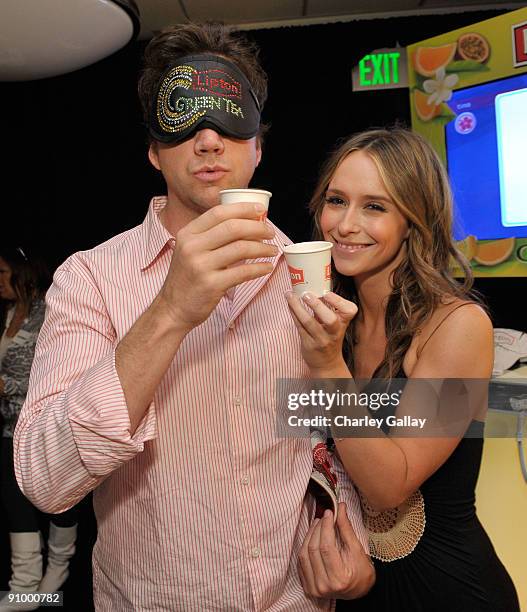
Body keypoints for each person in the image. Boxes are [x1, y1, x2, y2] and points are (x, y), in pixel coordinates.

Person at [14, 23, 374, 610]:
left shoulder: (309, 274)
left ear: (258, 145)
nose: (209, 141)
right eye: (185, 121)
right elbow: (45, 479)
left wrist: (353, 537)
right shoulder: (90, 279)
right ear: (155, 151)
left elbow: (321, 437)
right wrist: (171, 310)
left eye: (230, 120)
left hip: (296, 600)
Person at [286, 128, 520, 611]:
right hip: (356, 590)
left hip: (447, 591)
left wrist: (327, 365)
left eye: (375, 206)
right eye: (336, 200)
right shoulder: (331, 320)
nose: (346, 224)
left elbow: (390, 486)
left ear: (415, 220)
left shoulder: (457, 325)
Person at [0, 247, 78, 611]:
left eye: (3, 272)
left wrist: (5, 385)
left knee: (57, 502)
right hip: (9, 426)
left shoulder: (49, 309)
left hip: (47, 425)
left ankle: (58, 570)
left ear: (24, 272)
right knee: (15, 502)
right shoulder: (9, 312)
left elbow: (58, 371)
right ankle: (26, 585)